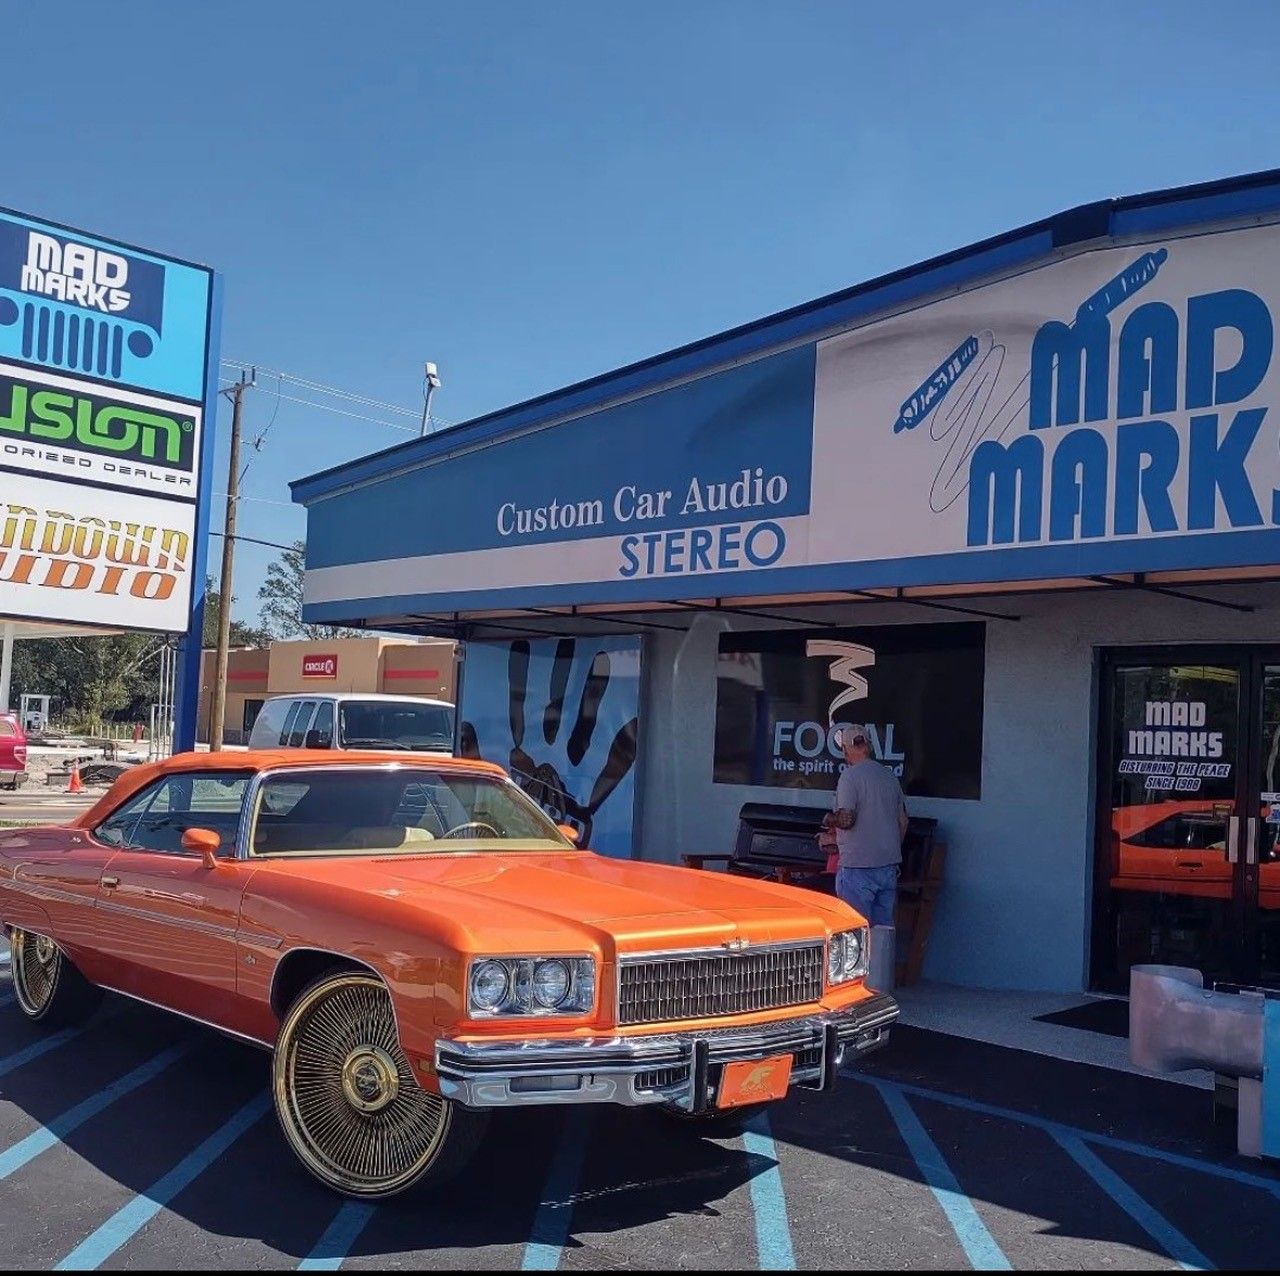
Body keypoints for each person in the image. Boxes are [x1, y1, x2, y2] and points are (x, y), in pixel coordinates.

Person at [822, 724, 908, 928]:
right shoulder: (889, 776)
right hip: (888, 867)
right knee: (882, 934)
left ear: (845, 749)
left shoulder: (849, 777)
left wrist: (828, 820)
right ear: (868, 746)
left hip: (857, 868)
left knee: (855, 934)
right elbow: (903, 821)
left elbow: (847, 820)